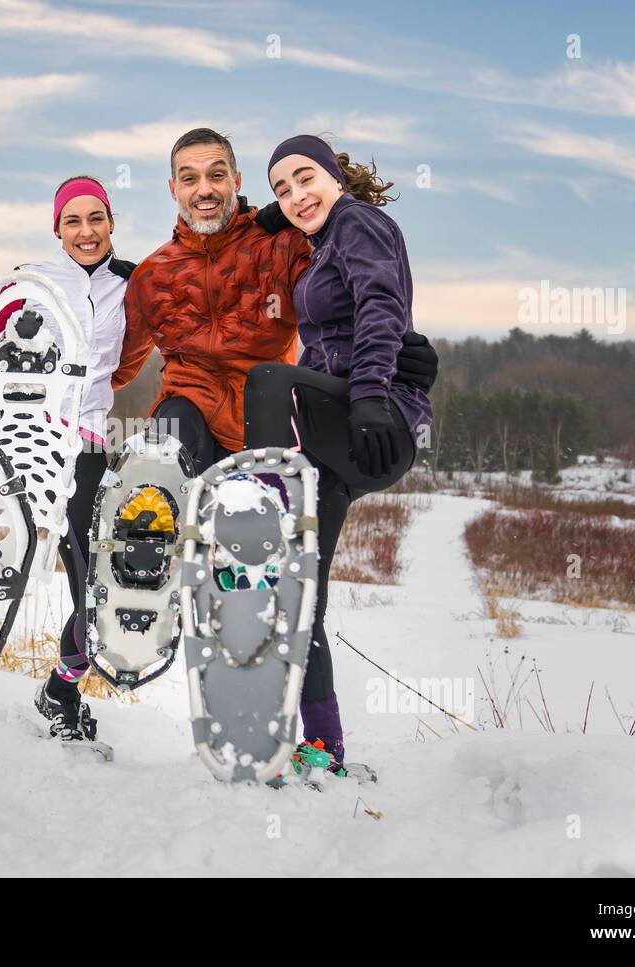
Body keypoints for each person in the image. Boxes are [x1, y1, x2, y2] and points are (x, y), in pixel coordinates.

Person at [244, 133, 433, 777]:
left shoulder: (360, 222)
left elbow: (382, 306)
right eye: (281, 189)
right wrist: (269, 213)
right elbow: (296, 220)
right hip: (336, 441)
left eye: (305, 179)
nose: (296, 196)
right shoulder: (324, 233)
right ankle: (325, 747)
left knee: (270, 379)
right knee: (301, 592)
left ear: (335, 176)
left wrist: (373, 397)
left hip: (371, 423)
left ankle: (255, 510)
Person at [113, 127, 437, 475]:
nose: (204, 189)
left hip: (273, 418)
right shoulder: (151, 276)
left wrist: (398, 362)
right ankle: (157, 515)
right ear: (173, 188)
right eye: (189, 178)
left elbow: (347, 302)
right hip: (189, 418)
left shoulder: (283, 247)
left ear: (236, 180)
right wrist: (95, 283)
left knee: (258, 517)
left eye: (217, 175)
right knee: (170, 436)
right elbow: (111, 370)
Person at [0, 176, 135, 744]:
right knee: (36, 575)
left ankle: (59, 689)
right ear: (57, 229)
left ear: (111, 223)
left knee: (100, 587)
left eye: (96, 218)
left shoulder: (132, 284)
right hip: (38, 444)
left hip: (94, 444)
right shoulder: (31, 282)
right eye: (73, 221)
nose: (86, 231)